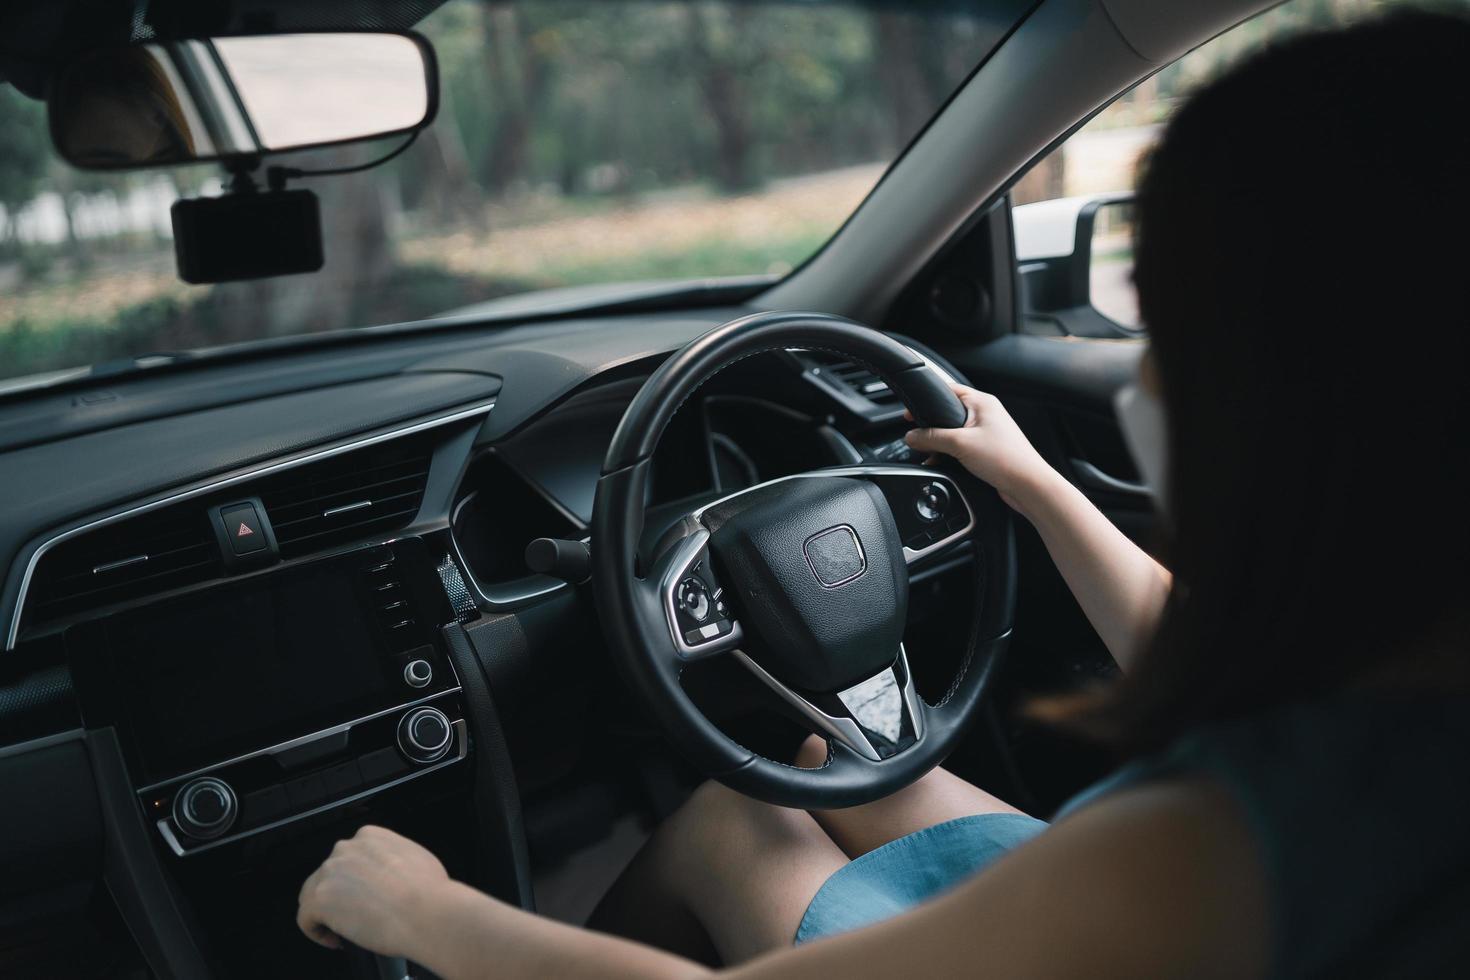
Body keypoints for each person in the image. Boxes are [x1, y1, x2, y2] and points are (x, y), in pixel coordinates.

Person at [297, 11, 1470, 978]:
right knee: (835, 773)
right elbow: (1200, 645)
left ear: (1281, 396)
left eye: (1167, 321)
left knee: (736, 816)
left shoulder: (1209, 849)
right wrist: (1035, 482)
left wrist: (423, 912)